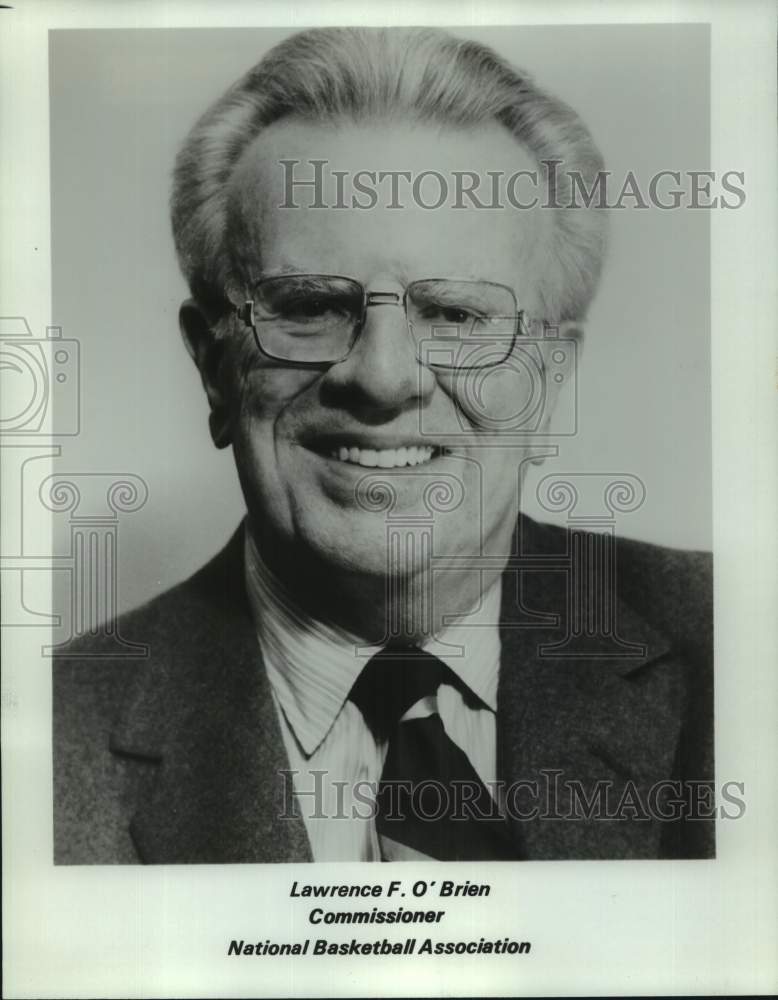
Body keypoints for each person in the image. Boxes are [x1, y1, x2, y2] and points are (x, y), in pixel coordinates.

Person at [53, 26, 713, 864]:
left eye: (456, 315)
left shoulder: (739, 653)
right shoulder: (47, 745)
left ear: (548, 381)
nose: (383, 376)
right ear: (215, 369)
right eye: (310, 306)